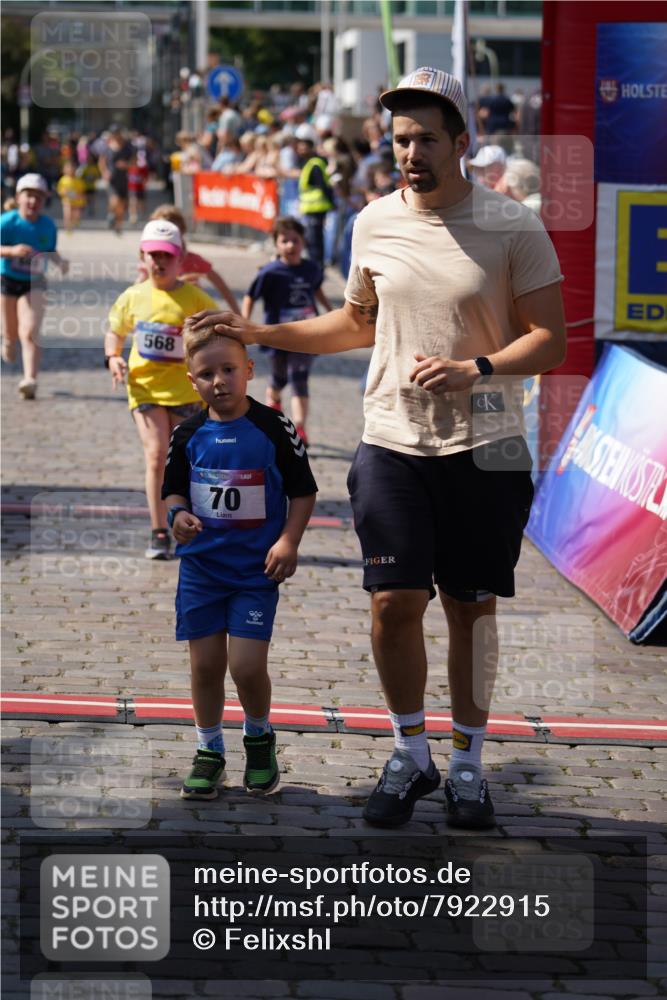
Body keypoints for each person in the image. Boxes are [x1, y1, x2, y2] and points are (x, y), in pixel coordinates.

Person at [186, 66, 566, 830]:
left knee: (470, 608)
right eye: (399, 140)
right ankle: (409, 753)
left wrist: (475, 368)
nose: (410, 152)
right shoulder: (371, 223)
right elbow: (355, 325)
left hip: (485, 444)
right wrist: (254, 332)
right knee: (393, 604)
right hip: (391, 438)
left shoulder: (511, 226)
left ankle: (466, 764)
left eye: (426, 138)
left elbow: (548, 340)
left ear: (461, 142)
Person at [161, 327, 317, 799]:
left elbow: (303, 491)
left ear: (249, 370)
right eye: (207, 374)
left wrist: (288, 542)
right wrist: (177, 516)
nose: (220, 381)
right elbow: (173, 490)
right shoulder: (187, 433)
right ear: (193, 382)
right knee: (205, 666)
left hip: (254, 573)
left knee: (247, 667)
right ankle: (209, 751)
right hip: (202, 571)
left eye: (229, 369)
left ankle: (259, 738)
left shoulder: (274, 426)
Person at [104, 219, 218, 559]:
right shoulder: (133, 296)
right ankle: (158, 530)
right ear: (142, 256)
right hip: (145, 388)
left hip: (186, 393)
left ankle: (189, 524)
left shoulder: (196, 298)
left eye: (166, 255)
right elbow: (115, 331)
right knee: (156, 454)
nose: (159, 261)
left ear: (180, 257)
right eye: (153, 254)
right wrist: (113, 357)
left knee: (184, 460)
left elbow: (217, 337)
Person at [242, 216, 332, 447]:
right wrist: (245, 323)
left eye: (296, 240)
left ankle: (300, 428)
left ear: (303, 243)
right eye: (285, 241)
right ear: (276, 244)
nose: (291, 245)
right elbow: (250, 296)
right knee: (279, 379)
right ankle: (273, 417)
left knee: (300, 379)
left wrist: (331, 312)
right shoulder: (270, 272)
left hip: (306, 335)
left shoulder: (311, 269)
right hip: (277, 337)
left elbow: (317, 290)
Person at [1, 173, 68, 399]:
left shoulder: (48, 226)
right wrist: (11, 251)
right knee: (11, 331)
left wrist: (60, 262)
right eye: (29, 196)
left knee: (29, 331)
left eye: (38, 198)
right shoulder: (7, 222)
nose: (33, 202)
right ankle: (8, 341)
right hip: (8, 280)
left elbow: (50, 249)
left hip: (35, 282)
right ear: (19, 197)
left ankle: (30, 379)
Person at [136, 205, 240, 313]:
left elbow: (221, 285)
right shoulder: (150, 262)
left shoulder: (193, 261)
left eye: (170, 230)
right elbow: (137, 292)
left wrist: (238, 316)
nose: (161, 259)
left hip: (189, 315)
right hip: (158, 315)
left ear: (181, 232)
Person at [295, 126, 334, 269]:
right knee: (313, 241)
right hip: (312, 209)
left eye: (303, 146)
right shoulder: (310, 163)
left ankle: (317, 270)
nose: (300, 149)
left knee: (315, 242)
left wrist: (331, 203)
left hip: (316, 209)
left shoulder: (315, 164)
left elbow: (324, 186)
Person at [56, 160, 86, 233]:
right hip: (67, 201)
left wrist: (81, 197)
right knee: (67, 214)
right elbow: (59, 190)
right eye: (68, 168)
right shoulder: (63, 180)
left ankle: (75, 222)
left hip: (77, 201)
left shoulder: (78, 181)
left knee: (76, 215)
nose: (70, 170)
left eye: (72, 168)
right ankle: (68, 228)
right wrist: (63, 193)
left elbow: (82, 192)